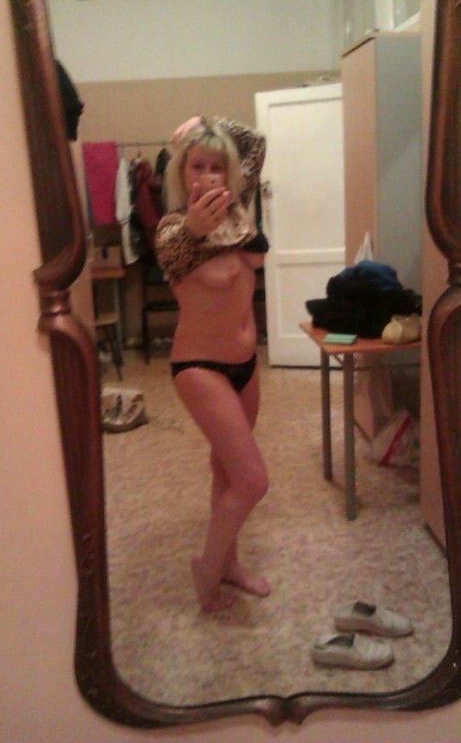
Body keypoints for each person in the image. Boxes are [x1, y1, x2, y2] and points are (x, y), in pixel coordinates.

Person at [155, 115, 270, 612]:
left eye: (216, 166)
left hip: (246, 364)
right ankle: (207, 565)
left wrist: (204, 123)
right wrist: (194, 229)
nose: (206, 176)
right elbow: (181, 244)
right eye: (196, 166)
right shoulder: (172, 231)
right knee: (252, 480)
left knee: (226, 470)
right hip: (200, 367)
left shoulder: (238, 210)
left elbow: (255, 141)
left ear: (229, 174)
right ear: (181, 173)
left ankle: (229, 565)